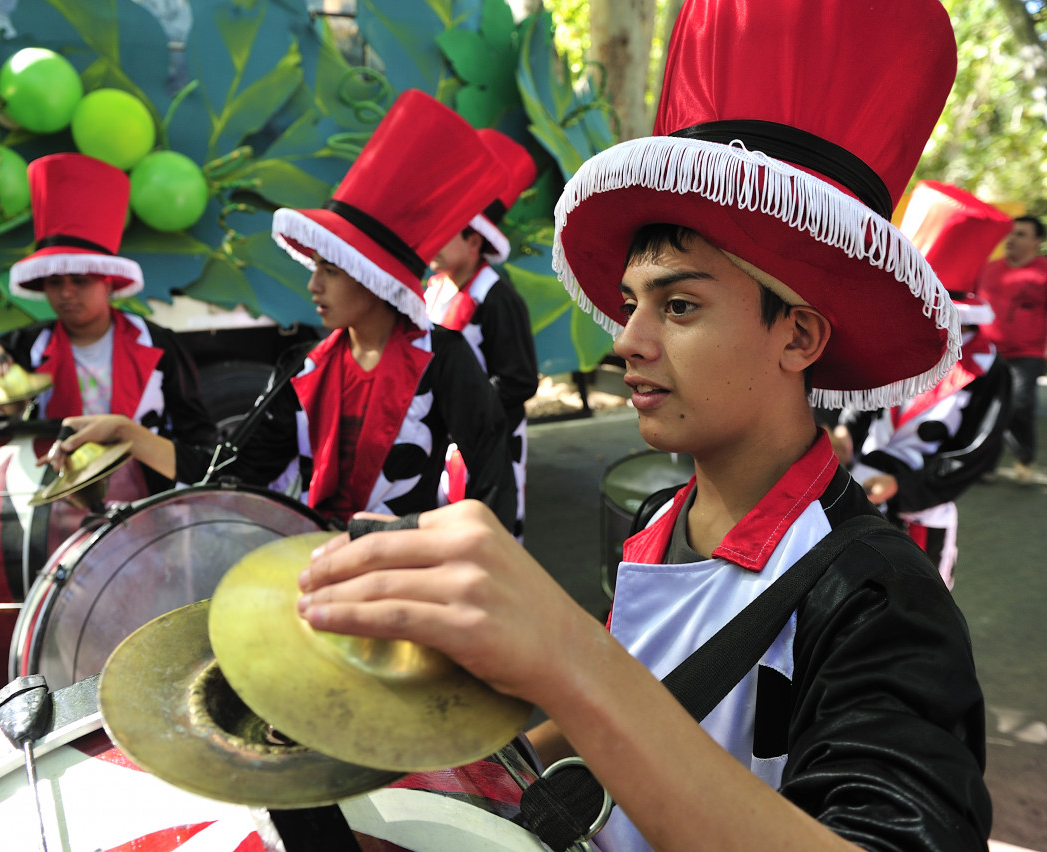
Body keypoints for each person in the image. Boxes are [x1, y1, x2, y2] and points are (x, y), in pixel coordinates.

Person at [294, 1, 990, 850]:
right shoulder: (655, 529)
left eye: (681, 304)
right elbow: (619, 723)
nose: (627, 339)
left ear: (798, 335)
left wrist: (569, 655)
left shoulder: (883, 596)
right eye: (631, 304)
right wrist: (434, 780)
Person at [48, 91, 517, 531]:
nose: (313, 284)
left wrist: (421, 538)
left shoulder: (443, 359)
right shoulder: (303, 367)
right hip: (320, 568)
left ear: (375, 279)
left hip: (410, 581)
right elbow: (232, 474)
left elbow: (490, 484)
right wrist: (128, 434)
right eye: (315, 267)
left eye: (330, 269)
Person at [0, 153, 216, 492]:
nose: (66, 293)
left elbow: (196, 432)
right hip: (53, 496)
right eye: (54, 282)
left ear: (108, 281)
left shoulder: (157, 343)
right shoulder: (23, 347)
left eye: (80, 281)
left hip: (149, 496)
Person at [834, 181, 1013, 589]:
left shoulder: (987, 369)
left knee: (912, 614)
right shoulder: (891, 337)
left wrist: (902, 486)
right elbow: (866, 395)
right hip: (857, 490)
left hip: (920, 514)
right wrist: (845, 431)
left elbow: (976, 455)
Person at [425, 128, 539, 539]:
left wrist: (472, 411)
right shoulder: (434, 289)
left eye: (446, 231)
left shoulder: (497, 298)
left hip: (493, 440)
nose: (433, 241)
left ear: (474, 239)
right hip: (444, 436)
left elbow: (519, 380)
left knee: (492, 530)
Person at [974, 214, 1047, 483]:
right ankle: (985, 465)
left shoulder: (1043, 271)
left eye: (1021, 234)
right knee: (986, 407)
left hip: (1027, 353)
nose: (1012, 239)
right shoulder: (988, 268)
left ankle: (1024, 458)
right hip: (986, 351)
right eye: (1011, 233)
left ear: (1037, 241)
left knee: (1019, 404)